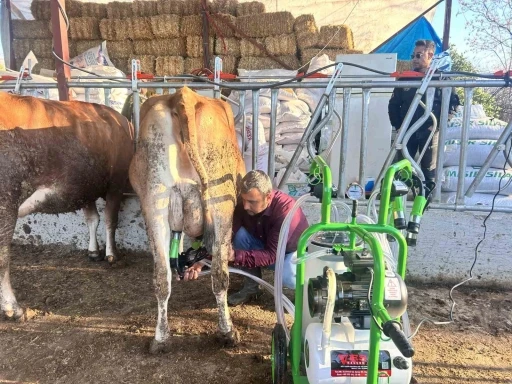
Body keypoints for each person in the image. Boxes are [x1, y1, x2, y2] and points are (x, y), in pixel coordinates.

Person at [184, 170, 309, 306]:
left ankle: (306, 296)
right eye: (243, 200)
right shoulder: (242, 206)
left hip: (291, 253)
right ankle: (251, 288)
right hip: (265, 247)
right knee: (240, 236)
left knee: (288, 277)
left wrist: (234, 255)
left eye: (251, 201)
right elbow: (228, 235)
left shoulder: (285, 211)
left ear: (268, 197)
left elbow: (272, 255)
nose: (245, 206)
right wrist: (201, 262)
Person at [388, 39, 460, 186]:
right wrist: (398, 126)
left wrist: (437, 125)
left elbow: (453, 104)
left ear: (430, 55)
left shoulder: (442, 79)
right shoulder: (405, 78)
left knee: (429, 170)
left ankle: (426, 203)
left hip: (429, 130)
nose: (414, 59)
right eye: (413, 56)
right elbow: (393, 104)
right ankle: (399, 203)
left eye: (419, 55)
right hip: (407, 130)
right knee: (402, 167)